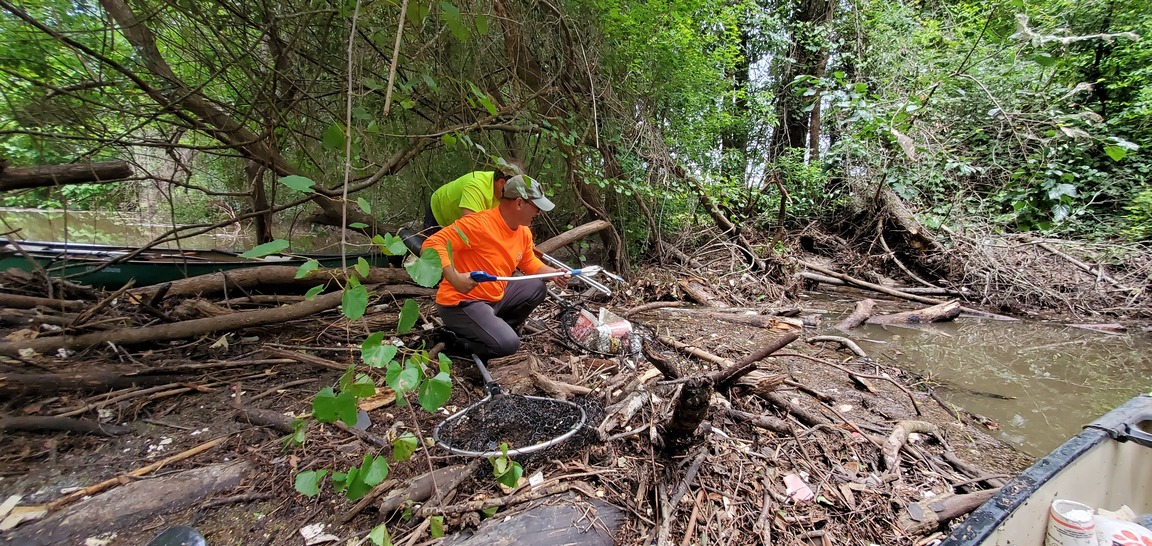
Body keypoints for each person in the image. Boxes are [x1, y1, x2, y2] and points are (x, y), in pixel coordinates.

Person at [422, 174, 568, 360]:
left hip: (494, 298)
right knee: (508, 344)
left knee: (536, 287)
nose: (539, 213)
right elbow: (432, 244)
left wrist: (553, 274)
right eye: (536, 207)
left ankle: (493, 329)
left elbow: (529, 262)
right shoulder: (478, 224)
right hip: (462, 303)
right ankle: (456, 341)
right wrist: (454, 277)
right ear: (518, 203)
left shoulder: (523, 232)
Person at [423, 167, 519, 234]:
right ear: (502, 182)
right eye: (514, 190)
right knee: (432, 253)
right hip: (440, 211)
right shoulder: (477, 187)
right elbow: (471, 229)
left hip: (457, 222)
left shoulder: (503, 191)